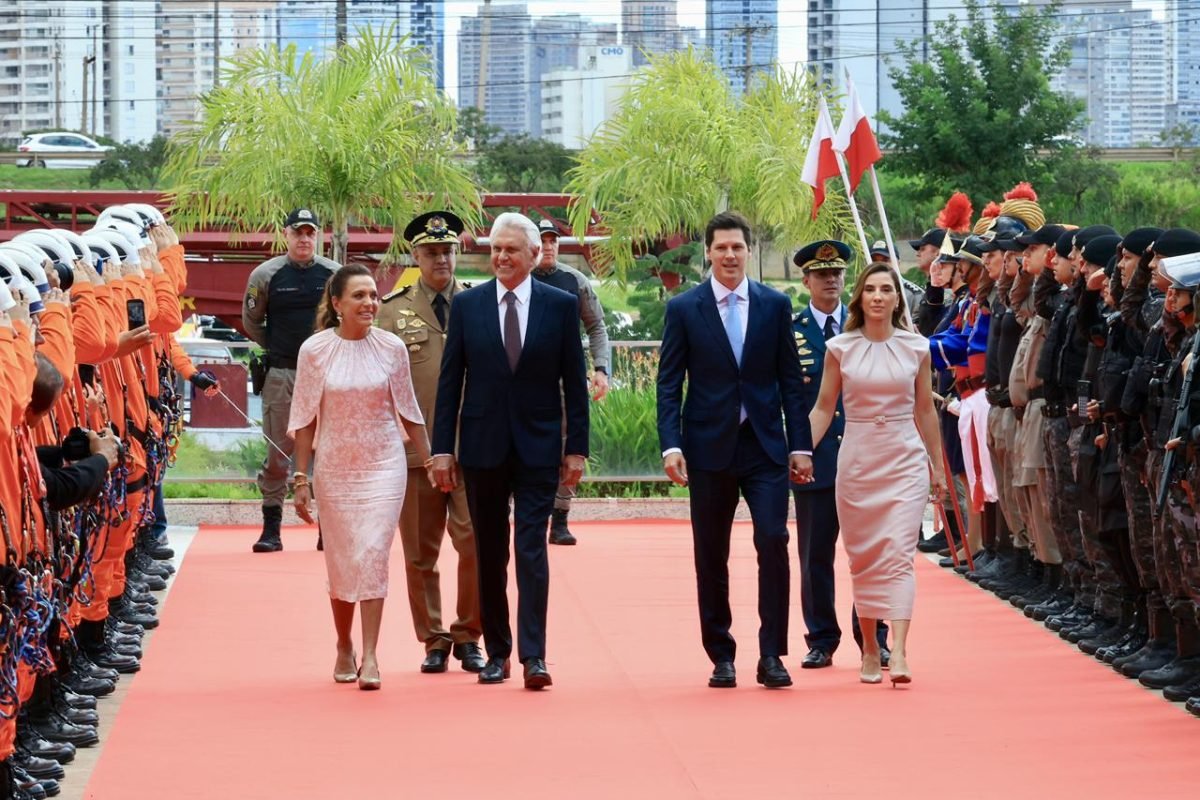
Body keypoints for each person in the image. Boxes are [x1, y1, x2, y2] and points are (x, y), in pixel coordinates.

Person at [430, 212, 589, 690]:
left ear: (533, 255)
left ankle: (534, 657)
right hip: (482, 447)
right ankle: (497, 652)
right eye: (495, 248)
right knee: (490, 551)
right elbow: (449, 381)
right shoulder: (469, 305)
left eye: (511, 250)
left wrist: (576, 448)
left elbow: (575, 383)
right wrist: (443, 450)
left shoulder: (560, 306)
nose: (500, 257)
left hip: (540, 447)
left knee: (531, 549)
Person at [656, 211, 812, 690]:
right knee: (711, 553)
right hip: (707, 448)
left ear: (749, 251)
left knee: (773, 541)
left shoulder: (773, 304)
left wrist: (801, 445)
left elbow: (791, 382)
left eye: (737, 248)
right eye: (721, 247)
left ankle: (772, 655)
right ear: (708, 252)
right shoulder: (685, 308)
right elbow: (668, 384)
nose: (729, 255)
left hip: (764, 447)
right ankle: (720, 653)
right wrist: (672, 445)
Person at [288, 264, 429, 691]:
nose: (370, 303)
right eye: (359, 297)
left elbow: (409, 410)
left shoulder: (392, 348)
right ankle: (343, 644)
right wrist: (300, 478)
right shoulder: (314, 351)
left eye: (373, 295)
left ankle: (370, 654)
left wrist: (434, 460)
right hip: (335, 469)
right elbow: (305, 419)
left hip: (385, 466)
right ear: (336, 304)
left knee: (372, 554)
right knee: (342, 561)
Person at [808, 262, 946, 686]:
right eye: (871, 289)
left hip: (904, 456)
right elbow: (823, 408)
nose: (879, 297)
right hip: (859, 457)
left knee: (900, 554)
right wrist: (795, 453)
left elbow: (925, 408)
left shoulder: (916, 347)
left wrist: (937, 466)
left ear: (897, 299)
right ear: (860, 297)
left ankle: (899, 649)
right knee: (864, 557)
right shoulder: (841, 348)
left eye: (887, 289)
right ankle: (870, 646)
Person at [376, 211, 485, 675]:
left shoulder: (479, 304)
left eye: (448, 251)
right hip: (415, 451)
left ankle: (469, 634)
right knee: (421, 555)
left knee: (476, 544)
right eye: (432, 252)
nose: (441, 259)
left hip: (472, 449)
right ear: (415, 256)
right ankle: (434, 639)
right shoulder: (390, 311)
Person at [790, 240, 888, 669]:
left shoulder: (864, 330)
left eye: (837, 273)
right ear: (806, 280)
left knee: (870, 552)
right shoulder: (791, 333)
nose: (831, 280)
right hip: (816, 459)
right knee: (815, 555)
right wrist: (797, 449)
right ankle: (821, 639)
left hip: (866, 457)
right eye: (822, 274)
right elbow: (788, 398)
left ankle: (875, 637)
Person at [242, 208, 340, 553]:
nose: (304, 238)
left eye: (310, 233)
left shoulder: (333, 274)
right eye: (298, 232)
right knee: (277, 449)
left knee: (328, 450)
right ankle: (272, 528)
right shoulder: (266, 274)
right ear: (286, 235)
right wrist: (278, 347)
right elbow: (252, 321)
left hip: (327, 375)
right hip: (282, 373)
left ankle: (328, 529)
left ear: (318, 236)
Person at [533, 218, 611, 545]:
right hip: (525, 381)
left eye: (553, 240)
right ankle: (530, 516)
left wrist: (601, 368)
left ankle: (561, 518)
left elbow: (596, 327)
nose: (548, 246)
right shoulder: (516, 278)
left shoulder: (574, 280)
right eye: (542, 240)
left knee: (570, 448)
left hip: (567, 380)